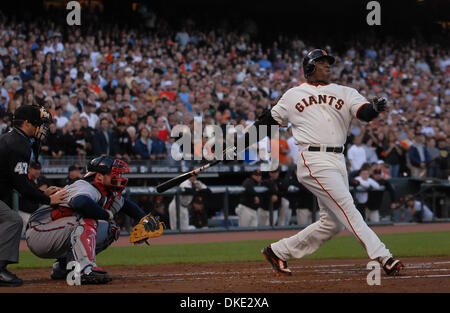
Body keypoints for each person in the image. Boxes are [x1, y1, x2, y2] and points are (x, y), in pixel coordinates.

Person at [258, 49, 403, 276]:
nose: (327, 65)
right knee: (348, 207)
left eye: (328, 62)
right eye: (321, 62)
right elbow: (267, 122)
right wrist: (239, 143)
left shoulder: (344, 91)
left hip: (338, 159)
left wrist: (373, 109)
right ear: (309, 67)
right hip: (313, 159)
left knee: (332, 224)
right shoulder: (293, 94)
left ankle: (277, 251)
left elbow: (363, 112)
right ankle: (384, 256)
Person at [25, 156, 156, 285]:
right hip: (39, 230)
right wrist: (105, 214)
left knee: (111, 228)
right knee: (89, 218)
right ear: (99, 176)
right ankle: (85, 270)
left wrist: (146, 222)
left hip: (56, 232)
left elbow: (129, 207)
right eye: (114, 174)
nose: (119, 178)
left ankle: (65, 265)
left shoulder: (109, 194)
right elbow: (81, 203)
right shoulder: (85, 186)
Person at [0, 105, 68, 287]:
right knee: (13, 221)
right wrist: (47, 199)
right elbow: (21, 185)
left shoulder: (13, 138)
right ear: (27, 123)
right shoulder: (17, 144)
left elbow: (17, 180)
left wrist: (40, 192)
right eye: (39, 123)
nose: (42, 127)